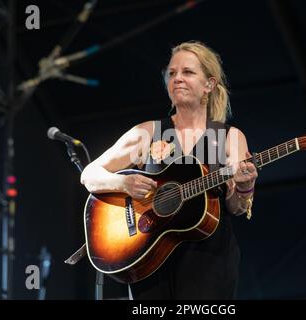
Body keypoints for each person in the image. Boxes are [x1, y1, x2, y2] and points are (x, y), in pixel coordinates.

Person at [80, 41, 258, 299]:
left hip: (208, 259)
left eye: (188, 72)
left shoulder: (229, 137)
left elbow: (236, 207)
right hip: (149, 256)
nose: (177, 79)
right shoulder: (148, 132)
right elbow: (90, 174)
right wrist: (124, 185)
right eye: (172, 73)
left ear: (209, 84)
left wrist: (244, 185)